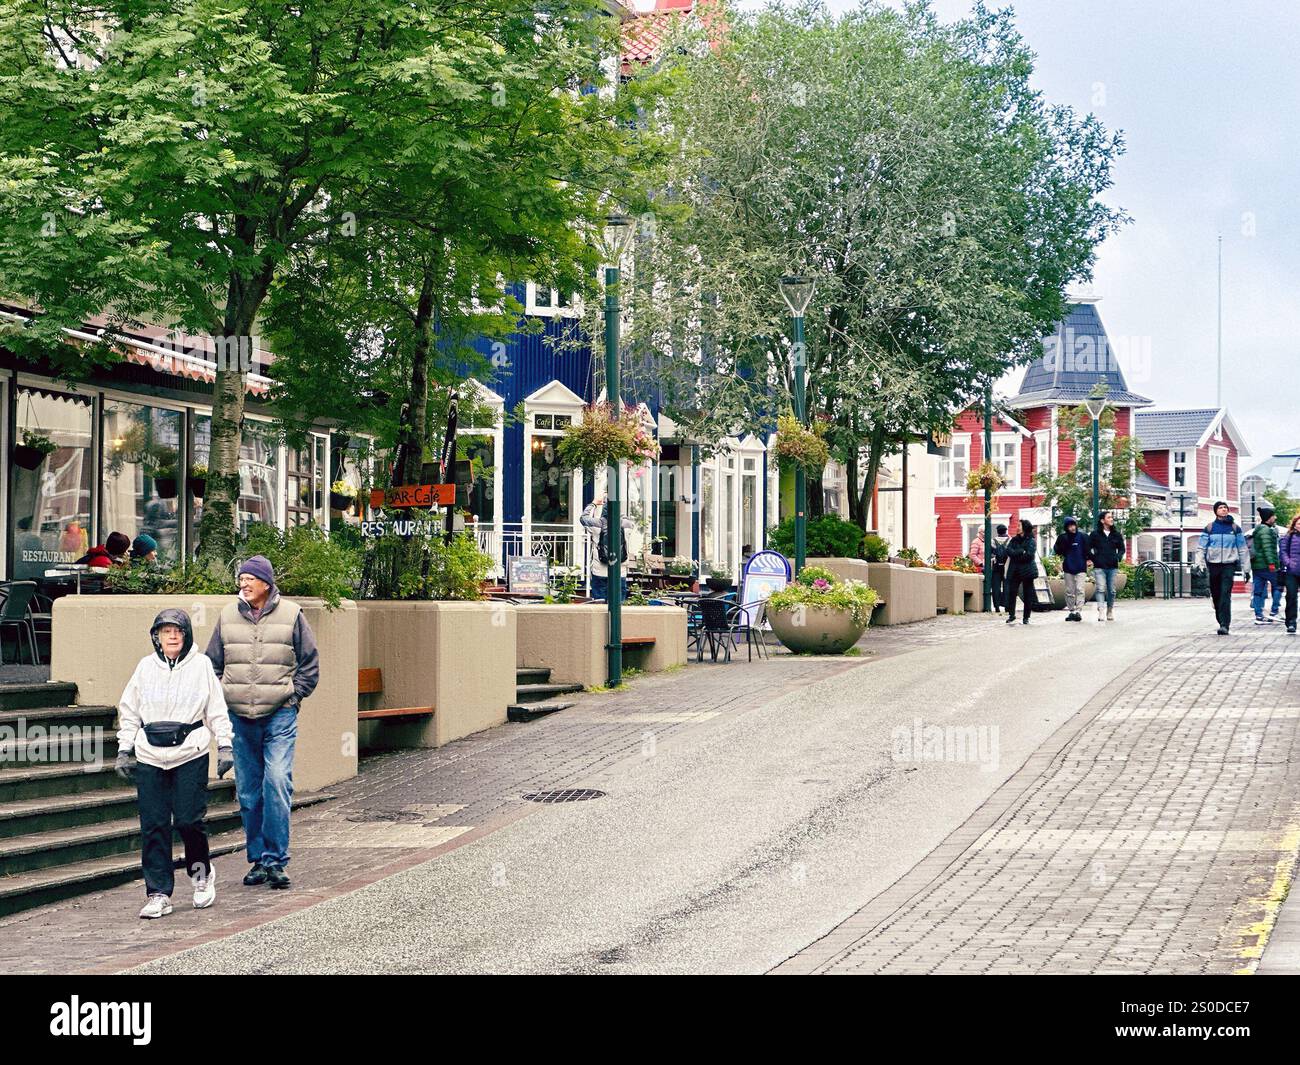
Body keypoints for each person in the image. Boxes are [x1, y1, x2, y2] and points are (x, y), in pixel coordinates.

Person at [205, 555, 319, 890]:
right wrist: (221, 698)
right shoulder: (227, 616)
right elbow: (212, 665)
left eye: (249, 579)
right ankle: (258, 859)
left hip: (279, 715)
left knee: (277, 783)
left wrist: (294, 695)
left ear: (265, 584)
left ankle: (276, 860)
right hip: (239, 717)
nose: (243, 584)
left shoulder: (292, 614)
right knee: (249, 793)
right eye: (241, 579)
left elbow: (310, 662)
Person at [115, 609, 233, 919]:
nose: (171, 637)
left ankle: (201, 875)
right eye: (165, 632)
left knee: (188, 821)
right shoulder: (144, 668)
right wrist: (124, 748)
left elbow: (217, 709)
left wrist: (225, 745)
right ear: (156, 637)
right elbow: (129, 710)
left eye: (177, 632)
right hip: (151, 755)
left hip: (189, 753)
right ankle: (158, 892)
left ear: (186, 635)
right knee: (153, 825)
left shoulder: (201, 666)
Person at [1199, 501, 1251, 636]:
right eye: (1220, 508)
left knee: (1225, 594)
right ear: (1215, 511)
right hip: (1213, 565)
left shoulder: (1235, 528)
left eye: (1225, 508)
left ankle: (1224, 624)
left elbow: (1243, 549)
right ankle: (1220, 618)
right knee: (1216, 595)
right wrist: (1200, 564)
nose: (1223, 510)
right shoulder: (1209, 528)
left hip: (1229, 565)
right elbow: (1201, 548)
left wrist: (1246, 569)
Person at [580, 496, 634, 602]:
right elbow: (626, 518)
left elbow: (583, 518)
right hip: (619, 572)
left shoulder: (597, 524)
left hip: (599, 571)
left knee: (600, 605)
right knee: (619, 605)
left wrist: (594, 504)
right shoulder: (627, 525)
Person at [1087, 511, 1125, 622]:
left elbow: (1122, 549)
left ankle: (1110, 610)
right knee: (1100, 589)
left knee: (1112, 590)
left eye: (1112, 517)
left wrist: (1117, 557)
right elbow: (1088, 548)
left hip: (1113, 566)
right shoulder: (1095, 534)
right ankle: (1101, 611)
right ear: (1102, 520)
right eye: (1109, 517)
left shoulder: (1117, 535)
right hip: (1099, 566)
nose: (1111, 519)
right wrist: (1094, 558)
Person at [1249, 505, 1282, 624]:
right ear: (1269, 518)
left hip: (1257, 565)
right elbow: (1268, 548)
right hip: (1267, 565)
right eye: (1273, 516)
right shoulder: (1266, 531)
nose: (1275, 518)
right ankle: (1274, 611)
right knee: (1278, 586)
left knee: (1258, 590)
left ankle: (1258, 615)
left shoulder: (1258, 529)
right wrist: (1272, 563)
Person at [1053, 516, 1089, 622]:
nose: (1072, 528)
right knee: (1069, 590)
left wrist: (1090, 560)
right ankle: (1071, 611)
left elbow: (1088, 550)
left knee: (1080, 589)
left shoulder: (1083, 536)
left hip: (1081, 566)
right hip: (1068, 566)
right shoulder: (1062, 538)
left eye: (1073, 525)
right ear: (1066, 527)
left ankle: (1078, 611)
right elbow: (1057, 550)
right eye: (1069, 526)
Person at [1004, 518, 1038, 625]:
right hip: (1015, 571)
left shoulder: (1031, 540)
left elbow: (1029, 555)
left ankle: (1026, 617)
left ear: (1025, 527)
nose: (1017, 528)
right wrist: (1020, 552)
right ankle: (1011, 615)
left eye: (1019, 526)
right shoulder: (1014, 540)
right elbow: (1008, 551)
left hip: (1027, 571)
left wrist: (1016, 555)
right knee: (1012, 592)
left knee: (1028, 594)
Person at [1279, 514, 1300, 636]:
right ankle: (1291, 622)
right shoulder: (1289, 536)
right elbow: (1283, 552)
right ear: (1294, 525)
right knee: (1291, 596)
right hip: (1292, 571)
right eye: (1298, 523)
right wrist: (1289, 563)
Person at [990, 523, 1011, 613]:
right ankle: (1007, 606)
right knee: (1007, 586)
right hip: (1007, 566)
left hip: (996, 566)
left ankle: (997, 606)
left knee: (996, 587)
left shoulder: (993, 541)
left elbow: (989, 554)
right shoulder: (1010, 541)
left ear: (997, 531)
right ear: (1006, 531)